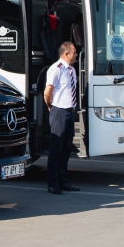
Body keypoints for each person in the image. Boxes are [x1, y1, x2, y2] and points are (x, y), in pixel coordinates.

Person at [44, 41, 80, 194]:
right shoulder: (56, 69)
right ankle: (52, 183)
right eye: (74, 52)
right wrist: (51, 107)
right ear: (66, 54)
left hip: (70, 112)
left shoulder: (71, 70)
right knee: (56, 149)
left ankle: (63, 180)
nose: (76, 55)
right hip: (59, 111)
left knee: (66, 149)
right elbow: (48, 91)